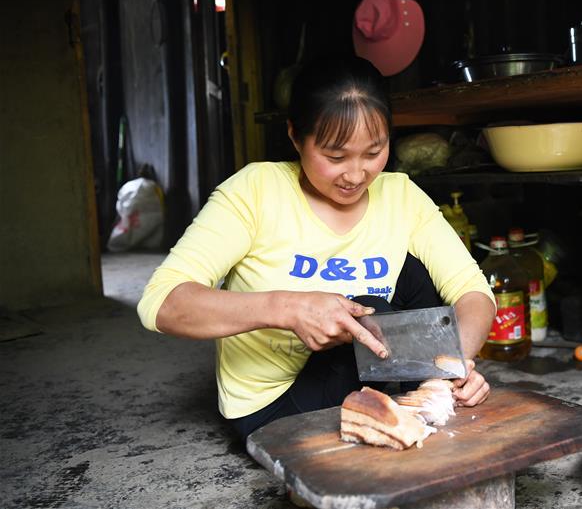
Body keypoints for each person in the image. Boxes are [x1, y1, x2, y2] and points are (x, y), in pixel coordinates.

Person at [137, 55, 496, 441]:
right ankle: (410, 396)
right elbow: (162, 304)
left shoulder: (401, 195)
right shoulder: (254, 191)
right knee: (364, 311)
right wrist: (288, 308)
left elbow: (473, 292)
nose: (356, 175)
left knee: (411, 272)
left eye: (373, 153)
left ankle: (427, 393)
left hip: (362, 372)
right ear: (295, 136)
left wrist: (454, 367)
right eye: (335, 157)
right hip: (274, 409)